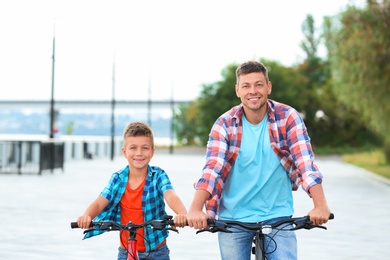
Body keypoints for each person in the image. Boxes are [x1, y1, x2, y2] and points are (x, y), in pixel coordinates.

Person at [186, 61, 331, 260]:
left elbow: (304, 162)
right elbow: (212, 169)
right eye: (246, 86)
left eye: (259, 84)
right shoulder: (224, 124)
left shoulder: (288, 117)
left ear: (268, 87)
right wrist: (195, 209)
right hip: (233, 218)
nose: (253, 91)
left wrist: (320, 205)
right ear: (238, 91)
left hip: (277, 216)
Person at [76, 122, 187, 260]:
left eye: (145, 148)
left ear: (152, 151)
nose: (139, 153)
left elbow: (171, 195)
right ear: (125, 152)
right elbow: (99, 202)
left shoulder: (158, 175)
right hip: (126, 251)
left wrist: (182, 214)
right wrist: (87, 216)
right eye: (133, 148)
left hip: (157, 250)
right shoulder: (118, 178)